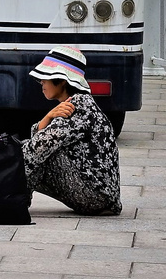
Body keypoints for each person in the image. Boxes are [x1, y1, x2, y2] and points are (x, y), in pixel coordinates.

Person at [22, 46, 121, 216]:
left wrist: (2, 161)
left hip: (95, 197)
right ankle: (13, 199)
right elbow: (38, 138)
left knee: (36, 152)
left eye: (45, 78)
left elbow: (38, 146)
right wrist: (48, 117)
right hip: (99, 196)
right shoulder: (79, 102)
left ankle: (13, 202)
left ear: (62, 81)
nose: (41, 83)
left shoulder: (77, 106)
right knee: (31, 149)